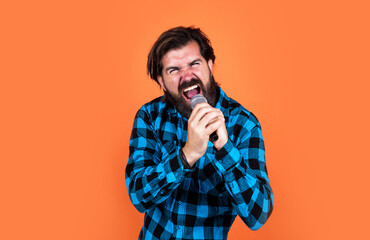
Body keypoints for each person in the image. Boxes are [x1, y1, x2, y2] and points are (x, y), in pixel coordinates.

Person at [125, 26, 273, 240]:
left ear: (210, 66)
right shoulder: (149, 116)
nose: (187, 76)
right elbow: (139, 196)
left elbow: (257, 216)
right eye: (173, 70)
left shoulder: (244, 124)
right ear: (161, 82)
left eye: (194, 64)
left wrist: (225, 148)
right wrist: (187, 155)